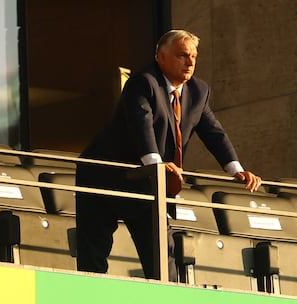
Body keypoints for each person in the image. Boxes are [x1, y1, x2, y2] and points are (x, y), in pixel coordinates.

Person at [75, 29, 262, 282]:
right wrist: (156, 165)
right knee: (93, 259)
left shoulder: (198, 91)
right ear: (160, 57)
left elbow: (214, 132)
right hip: (104, 177)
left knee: (163, 257)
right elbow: (142, 124)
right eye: (182, 55)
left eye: (194, 56)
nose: (190, 62)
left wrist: (235, 169)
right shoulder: (143, 82)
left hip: (146, 184)